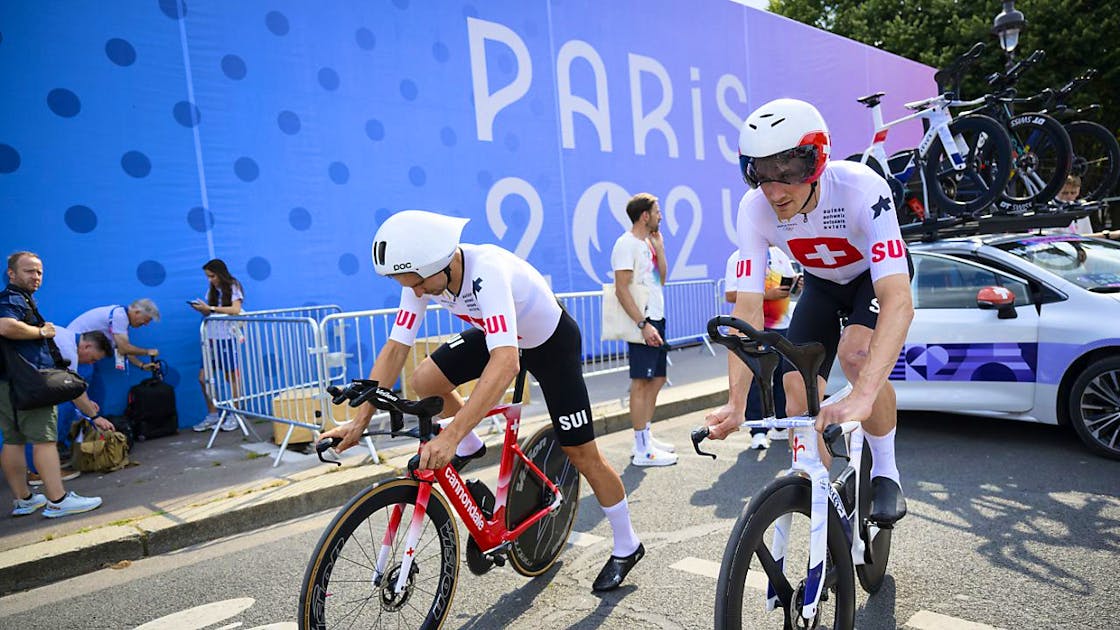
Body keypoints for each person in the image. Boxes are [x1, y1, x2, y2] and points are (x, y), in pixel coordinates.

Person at [321, 210, 646, 592]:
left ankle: (627, 544)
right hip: (503, 335)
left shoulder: (485, 271)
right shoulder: (421, 278)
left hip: (550, 344)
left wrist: (451, 435)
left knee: (582, 454)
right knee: (425, 379)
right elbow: (395, 349)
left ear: (441, 263)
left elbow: (506, 362)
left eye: (421, 284)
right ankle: (474, 446)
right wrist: (358, 423)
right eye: (411, 285)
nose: (419, 293)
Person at [705, 98, 914, 526]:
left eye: (788, 174)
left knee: (858, 357)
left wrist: (862, 395)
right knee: (794, 387)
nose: (775, 192)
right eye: (760, 175)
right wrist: (736, 402)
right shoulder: (754, 209)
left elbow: (898, 301)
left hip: (870, 281)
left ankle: (887, 473)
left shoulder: (863, 188)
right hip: (821, 283)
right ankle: (821, 496)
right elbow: (748, 309)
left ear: (817, 162)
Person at [1, 251, 102, 518]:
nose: (36, 277)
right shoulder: (13, 298)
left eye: (39, 272)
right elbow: (5, 326)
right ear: (11, 274)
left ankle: (23, 499)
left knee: (13, 441)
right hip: (29, 382)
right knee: (45, 441)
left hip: (7, 383)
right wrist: (40, 332)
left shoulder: (16, 299)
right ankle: (57, 500)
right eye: (29, 271)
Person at [609, 193, 677, 467]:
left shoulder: (648, 242)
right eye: (657, 211)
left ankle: (646, 436)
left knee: (657, 379)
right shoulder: (625, 244)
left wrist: (659, 248)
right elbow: (621, 288)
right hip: (643, 320)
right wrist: (642, 324)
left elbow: (662, 278)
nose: (661, 216)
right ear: (645, 215)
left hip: (656, 317)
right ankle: (641, 448)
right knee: (640, 382)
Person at [723, 247, 801, 450]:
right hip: (755, 326)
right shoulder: (738, 257)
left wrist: (796, 285)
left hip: (782, 325)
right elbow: (730, 295)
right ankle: (758, 431)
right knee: (757, 377)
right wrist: (768, 294)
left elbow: (789, 285)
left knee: (783, 376)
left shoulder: (780, 255)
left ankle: (780, 425)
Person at [189, 259, 245, 433]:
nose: (210, 279)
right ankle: (213, 414)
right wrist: (203, 309)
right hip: (210, 339)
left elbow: (235, 310)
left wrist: (211, 308)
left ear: (220, 273)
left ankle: (235, 414)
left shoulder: (234, 286)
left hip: (226, 338)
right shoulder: (212, 289)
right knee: (202, 378)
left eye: (212, 276)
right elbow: (211, 311)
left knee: (231, 378)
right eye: (207, 276)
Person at [67, 299, 161, 371]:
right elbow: (124, 349)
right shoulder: (120, 317)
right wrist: (148, 352)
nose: (146, 324)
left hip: (78, 350)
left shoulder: (119, 316)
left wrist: (142, 365)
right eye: (147, 319)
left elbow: (123, 349)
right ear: (137, 312)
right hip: (75, 350)